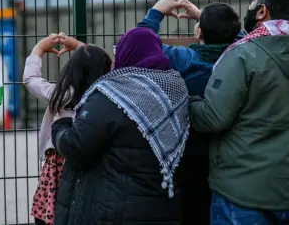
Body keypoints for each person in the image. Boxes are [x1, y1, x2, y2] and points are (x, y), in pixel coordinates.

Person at [189, 0, 289, 224]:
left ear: (262, 11)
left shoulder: (243, 55)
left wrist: (188, 102)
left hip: (244, 193)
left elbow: (213, 118)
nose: (248, 6)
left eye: (252, 1)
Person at [51, 27, 190, 224]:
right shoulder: (175, 89)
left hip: (116, 208)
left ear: (126, 53)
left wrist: (60, 127)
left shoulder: (112, 94)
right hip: (162, 203)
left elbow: (76, 146)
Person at [137, 0, 243, 224]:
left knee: (191, 209)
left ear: (199, 33)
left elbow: (142, 42)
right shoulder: (239, 55)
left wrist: (156, 12)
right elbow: (243, 38)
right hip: (228, 151)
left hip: (189, 151)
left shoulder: (185, 59)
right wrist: (202, 16)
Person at [23, 33, 112, 225]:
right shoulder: (105, 96)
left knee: (54, 207)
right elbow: (108, 65)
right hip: (92, 161)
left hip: (59, 162)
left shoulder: (61, 95)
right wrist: (82, 47)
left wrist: (38, 49)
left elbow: (30, 79)